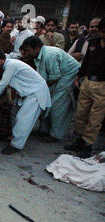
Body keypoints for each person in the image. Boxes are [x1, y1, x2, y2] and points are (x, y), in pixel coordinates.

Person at [0, 49, 52, 154]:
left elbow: (3, 83)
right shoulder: (11, 64)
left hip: (36, 92)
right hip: (31, 92)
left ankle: (16, 145)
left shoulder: (11, 65)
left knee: (23, 119)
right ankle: (15, 137)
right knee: (16, 114)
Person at [22, 36, 81, 142]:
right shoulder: (39, 55)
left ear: (37, 48)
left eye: (29, 50)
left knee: (56, 107)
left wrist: (40, 88)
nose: (27, 53)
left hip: (67, 77)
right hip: (57, 78)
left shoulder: (49, 55)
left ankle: (55, 135)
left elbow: (55, 76)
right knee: (45, 104)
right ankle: (44, 130)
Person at [64, 18, 105, 158]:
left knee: (95, 117)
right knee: (81, 113)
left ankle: (88, 144)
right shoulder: (92, 43)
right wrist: (78, 76)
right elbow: (86, 61)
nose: (99, 32)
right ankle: (79, 140)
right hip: (87, 81)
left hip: (102, 85)